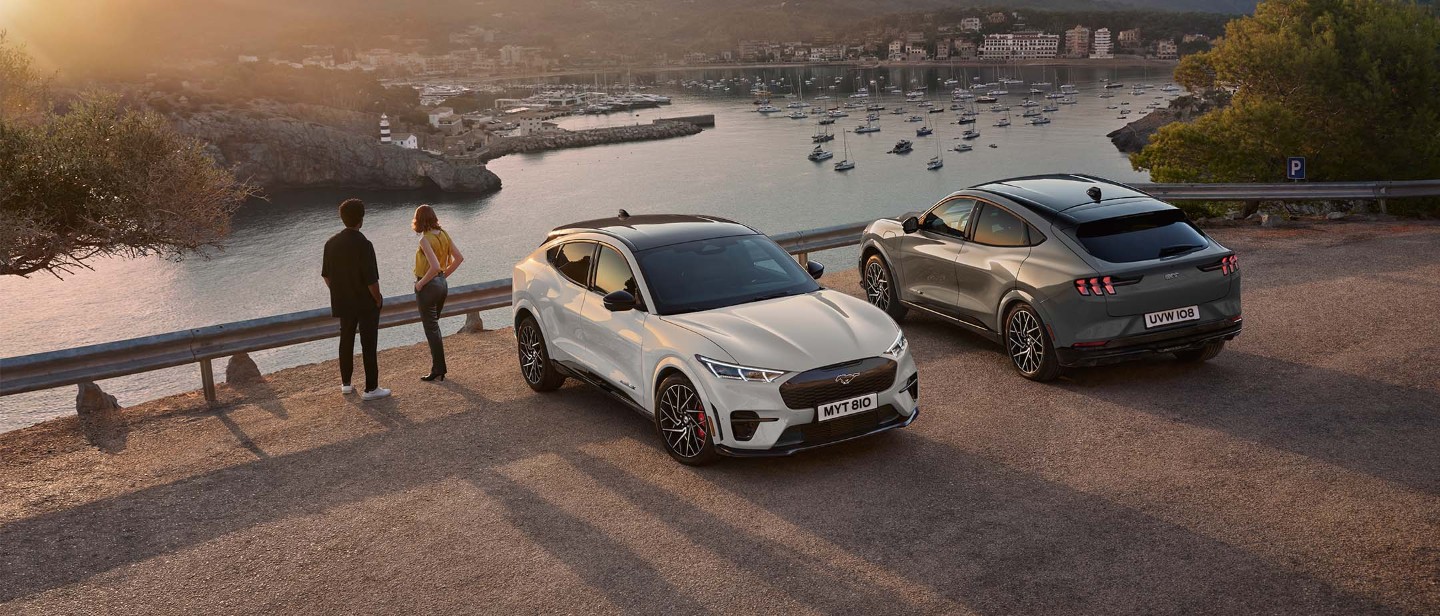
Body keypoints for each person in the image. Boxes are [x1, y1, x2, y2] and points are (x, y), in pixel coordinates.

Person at [321, 198, 390, 400]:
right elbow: (371, 279)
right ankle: (371, 388)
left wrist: (338, 290)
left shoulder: (330, 243)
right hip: (365, 302)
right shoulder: (364, 244)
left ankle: (346, 383)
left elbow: (326, 274)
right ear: (361, 219)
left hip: (343, 301)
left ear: (342, 218)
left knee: (346, 340)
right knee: (368, 343)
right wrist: (377, 299)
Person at [411, 204, 464, 382]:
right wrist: (442, 277)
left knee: (431, 329)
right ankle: (439, 369)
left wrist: (420, 285)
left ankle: (438, 369)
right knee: (435, 327)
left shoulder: (424, 240)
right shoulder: (444, 234)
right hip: (442, 285)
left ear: (418, 220)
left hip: (428, 287)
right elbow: (459, 258)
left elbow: (433, 267)